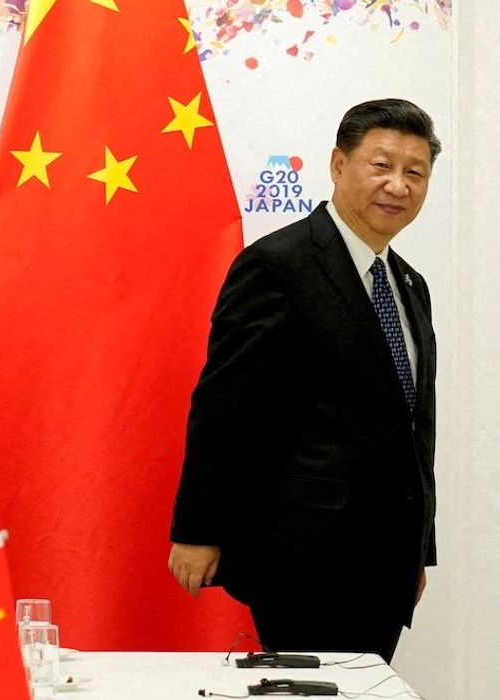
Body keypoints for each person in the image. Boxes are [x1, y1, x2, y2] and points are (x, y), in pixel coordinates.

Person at [167, 99, 440, 663]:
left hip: (386, 561)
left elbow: (415, 426)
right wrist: (198, 529)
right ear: (338, 166)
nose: (398, 185)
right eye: (381, 164)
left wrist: (417, 550)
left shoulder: (409, 284)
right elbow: (224, 404)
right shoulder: (277, 265)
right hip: (301, 552)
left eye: (415, 172)